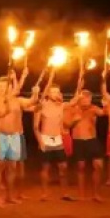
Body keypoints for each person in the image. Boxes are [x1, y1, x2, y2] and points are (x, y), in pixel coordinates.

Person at [34, 69, 82, 201]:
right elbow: (35, 127)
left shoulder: (61, 105)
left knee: (63, 167)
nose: (55, 94)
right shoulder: (42, 105)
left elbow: (74, 100)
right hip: (45, 140)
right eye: (53, 92)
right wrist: (40, 142)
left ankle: (65, 193)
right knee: (45, 168)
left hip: (58, 140)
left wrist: (80, 80)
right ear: (48, 94)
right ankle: (44, 194)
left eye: (57, 92)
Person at [0, 74, 39, 203]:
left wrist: (35, 93)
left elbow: (31, 101)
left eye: (5, 86)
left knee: (12, 168)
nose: (3, 88)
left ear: (10, 87)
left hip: (14, 136)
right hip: (0, 136)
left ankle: (10, 196)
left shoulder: (17, 100)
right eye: (1, 86)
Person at [69, 90, 107, 202]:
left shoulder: (94, 108)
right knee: (81, 167)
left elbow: (104, 113)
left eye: (88, 98)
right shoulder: (73, 109)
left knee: (99, 166)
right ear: (80, 99)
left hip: (92, 140)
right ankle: (81, 194)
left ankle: (96, 194)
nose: (86, 100)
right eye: (84, 98)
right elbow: (66, 124)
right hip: (78, 141)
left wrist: (106, 104)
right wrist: (74, 121)